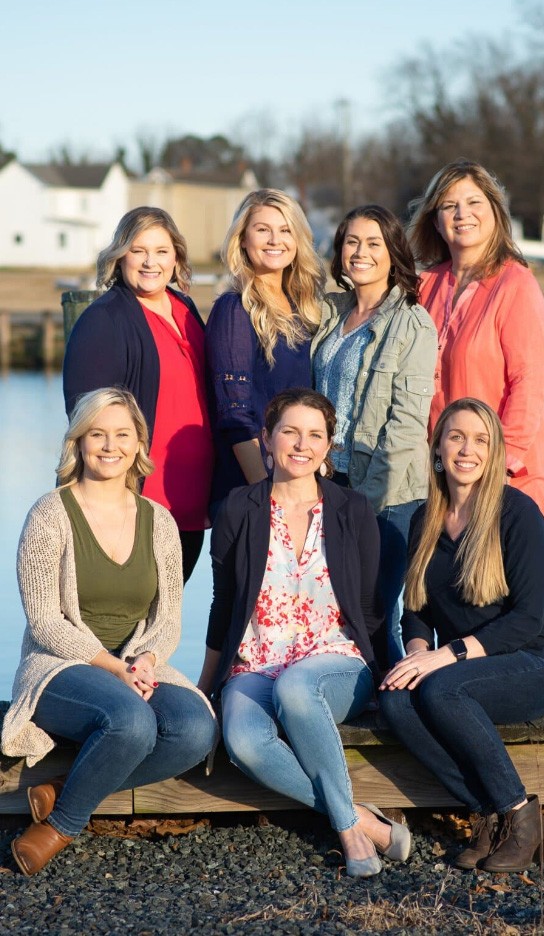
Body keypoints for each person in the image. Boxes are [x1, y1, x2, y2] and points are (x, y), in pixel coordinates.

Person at [2, 388, 217, 877]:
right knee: (132, 722)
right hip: (60, 668)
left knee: (195, 729)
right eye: (96, 434)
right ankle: (60, 825)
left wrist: (142, 661)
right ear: (78, 442)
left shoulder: (159, 521)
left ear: (139, 444)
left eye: (122, 435)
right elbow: (45, 621)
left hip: (134, 666)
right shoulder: (49, 514)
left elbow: (168, 617)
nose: (109, 445)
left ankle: (63, 787)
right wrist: (116, 668)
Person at [197, 388, 410, 878]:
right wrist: (206, 688)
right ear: (266, 439)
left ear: (328, 446)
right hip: (255, 662)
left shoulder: (353, 511)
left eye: (315, 435)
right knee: (244, 742)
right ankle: (361, 821)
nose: (301, 444)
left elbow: (372, 610)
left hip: (335, 662)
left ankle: (349, 836)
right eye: (289, 431)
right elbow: (223, 605)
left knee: (297, 688)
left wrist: (384, 675)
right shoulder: (237, 509)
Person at [380, 398, 544, 872]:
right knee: (395, 699)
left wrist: (446, 656)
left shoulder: (518, 515)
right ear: (438, 448)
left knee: (443, 689)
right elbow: (417, 610)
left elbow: (526, 619)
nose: (468, 449)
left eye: (481, 439)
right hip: (462, 665)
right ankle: (485, 813)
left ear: (495, 451)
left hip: (534, 660)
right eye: (457, 437)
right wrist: (418, 653)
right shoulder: (424, 519)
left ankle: (520, 815)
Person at [311, 205, 437, 664]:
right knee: (333, 610)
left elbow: (406, 427)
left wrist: (366, 502)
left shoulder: (412, 323)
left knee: (375, 613)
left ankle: (396, 711)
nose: (360, 252)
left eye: (373, 243)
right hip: (330, 484)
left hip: (387, 496)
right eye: (351, 241)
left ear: (393, 254)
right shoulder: (331, 312)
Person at [63, 207, 214, 582]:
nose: (151, 262)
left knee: (161, 627)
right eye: (138, 250)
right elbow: (89, 421)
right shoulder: (105, 319)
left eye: (162, 251)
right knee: (124, 623)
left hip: (190, 500)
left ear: (176, 256)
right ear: (120, 256)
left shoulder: (185, 307)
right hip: (140, 501)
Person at [408, 159, 544, 517]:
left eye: (474, 202)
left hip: (504, 476)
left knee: (495, 573)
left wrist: (500, 467)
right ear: (436, 221)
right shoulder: (424, 287)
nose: (462, 214)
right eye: (449, 205)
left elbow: (529, 383)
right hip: (441, 477)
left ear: (494, 211)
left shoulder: (515, 284)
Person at [205, 189, 326, 515]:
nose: (275, 240)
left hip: (297, 485)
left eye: (285, 230)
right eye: (263, 230)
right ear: (243, 239)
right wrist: (267, 495)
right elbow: (233, 414)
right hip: (252, 492)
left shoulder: (307, 309)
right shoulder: (234, 308)